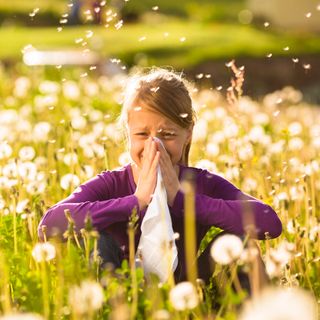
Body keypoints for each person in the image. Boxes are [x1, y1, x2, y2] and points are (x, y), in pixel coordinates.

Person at [38, 67, 282, 284]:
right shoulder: (112, 183)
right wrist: (136, 202)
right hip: (120, 289)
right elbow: (49, 225)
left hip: (188, 289)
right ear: (128, 133)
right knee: (96, 239)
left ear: (188, 134)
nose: (154, 145)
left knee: (242, 244)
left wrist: (183, 200)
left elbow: (269, 222)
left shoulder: (200, 183)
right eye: (142, 134)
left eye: (167, 135)